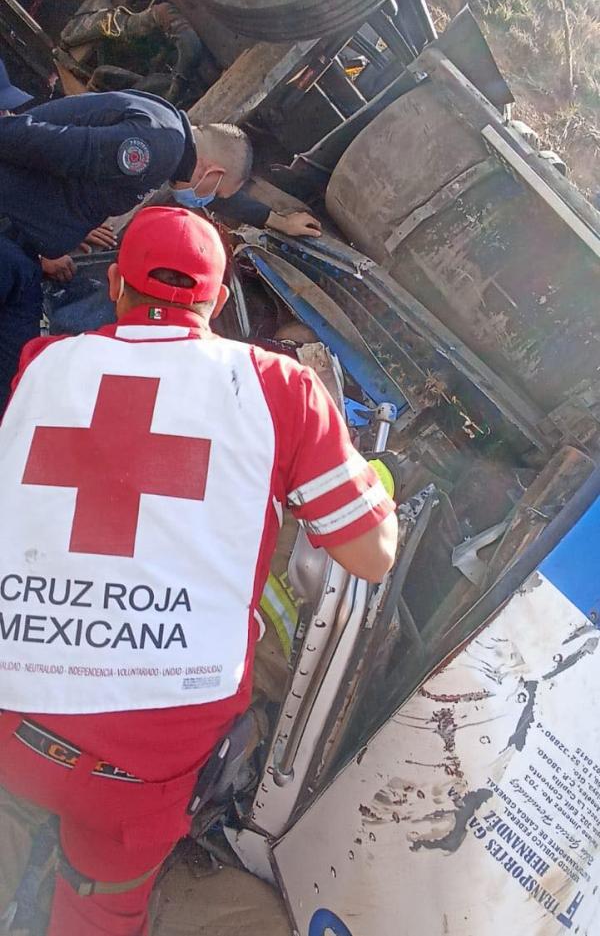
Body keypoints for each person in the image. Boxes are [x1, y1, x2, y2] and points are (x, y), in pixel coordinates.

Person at [0, 204, 398, 935]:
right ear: (217, 303)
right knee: (101, 903)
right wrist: (369, 481)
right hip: (143, 768)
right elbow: (369, 553)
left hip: (12, 716)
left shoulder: (43, 362)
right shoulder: (282, 388)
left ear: (116, 283)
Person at [0, 89, 320, 411]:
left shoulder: (168, 131)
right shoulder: (157, 148)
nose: (209, 201)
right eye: (215, 193)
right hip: (10, 232)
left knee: (19, 359)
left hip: (22, 245)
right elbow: (57, 146)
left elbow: (78, 159)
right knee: (19, 368)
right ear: (212, 172)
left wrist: (276, 220)